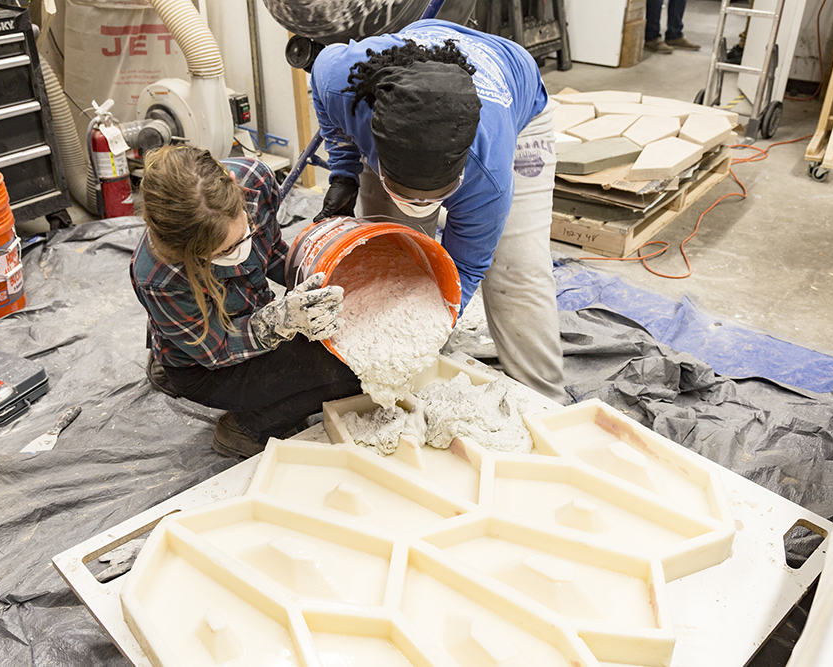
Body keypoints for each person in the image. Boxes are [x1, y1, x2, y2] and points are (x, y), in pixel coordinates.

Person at [310, 18, 568, 405]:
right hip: (400, 98)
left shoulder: (488, 175)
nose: (420, 207)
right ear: (378, 157)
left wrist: (427, 332)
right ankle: (387, 374)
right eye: (406, 194)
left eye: (435, 196)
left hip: (519, 104)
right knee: (393, 256)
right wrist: (344, 173)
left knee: (519, 272)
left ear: (461, 172)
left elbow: (466, 269)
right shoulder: (340, 80)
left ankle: (544, 399)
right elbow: (321, 86)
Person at [130, 145, 361, 458]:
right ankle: (248, 426)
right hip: (205, 361)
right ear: (184, 252)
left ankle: (173, 337)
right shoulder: (158, 275)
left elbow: (271, 252)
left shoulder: (254, 180)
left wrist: (326, 274)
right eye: (224, 252)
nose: (242, 250)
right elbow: (217, 349)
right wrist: (278, 322)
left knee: (346, 337)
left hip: (230, 316)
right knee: (351, 368)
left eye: (245, 231)